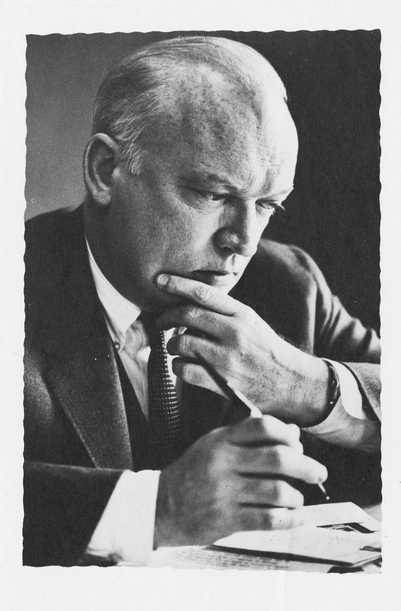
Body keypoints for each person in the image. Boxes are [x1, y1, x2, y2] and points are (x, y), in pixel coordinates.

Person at [24, 35, 381, 567]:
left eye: (268, 205)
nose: (243, 241)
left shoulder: (288, 284)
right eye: (212, 194)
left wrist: (303, 385)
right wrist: (158, 507)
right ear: (104, 170)